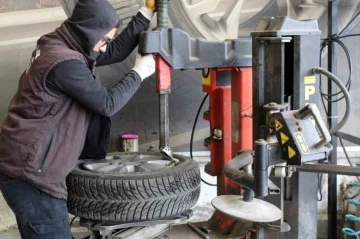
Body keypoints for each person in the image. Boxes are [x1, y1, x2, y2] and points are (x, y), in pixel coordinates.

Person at [0, 0, 156, 238]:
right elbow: (107, 104)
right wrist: (138, 73)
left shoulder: (63, 42)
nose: (104, 48)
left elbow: (112, 51)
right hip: (32, 176)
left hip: (22, 167)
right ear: (88, 31)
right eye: (103, 40)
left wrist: (145, 13)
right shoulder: (64, 62)